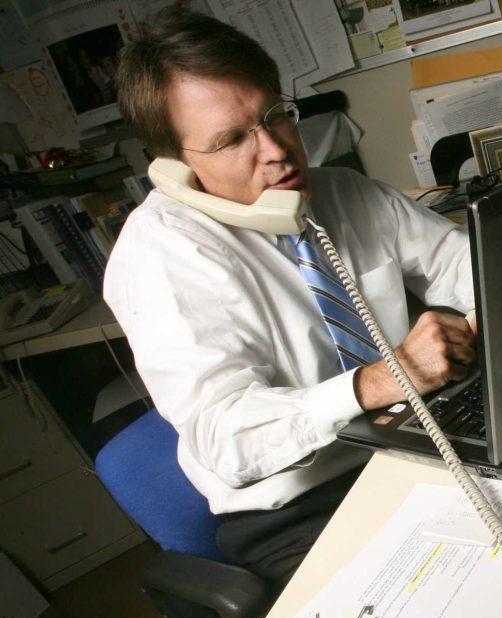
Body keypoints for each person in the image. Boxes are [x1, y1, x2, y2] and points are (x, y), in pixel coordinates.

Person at [105, 8, 475, 577]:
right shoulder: (159, 256)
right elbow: (224, 439)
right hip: (301, 506)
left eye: (276, 116)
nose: (275, 150)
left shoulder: (340, 193)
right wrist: (383, 379)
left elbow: (468, 264)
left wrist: (480, 318)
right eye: (233, 140)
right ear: (175, 165)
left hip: (420, 441)